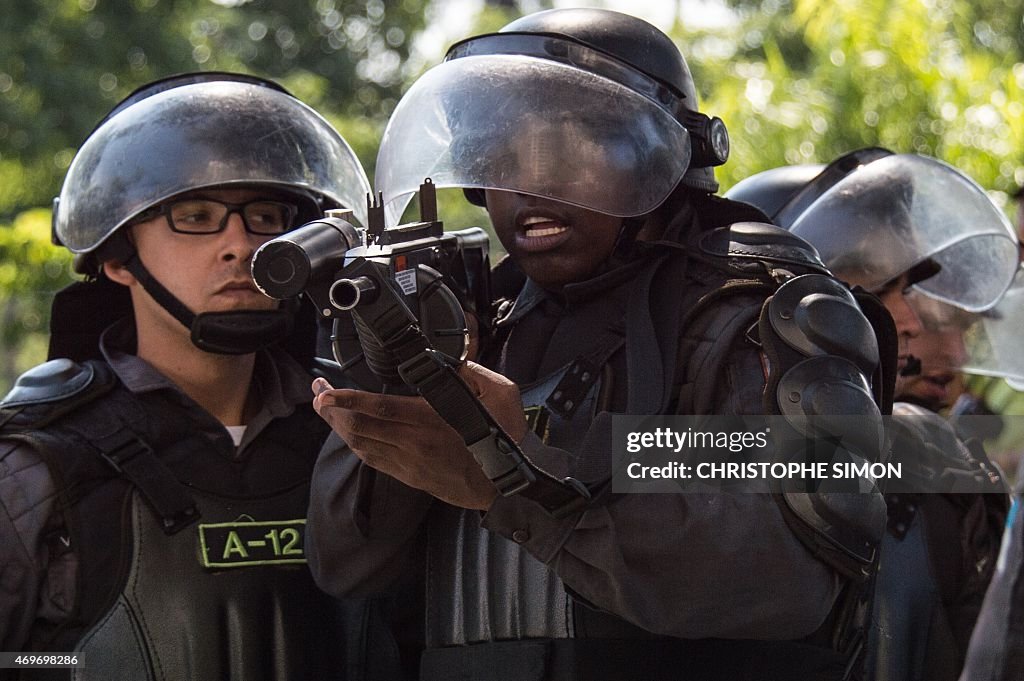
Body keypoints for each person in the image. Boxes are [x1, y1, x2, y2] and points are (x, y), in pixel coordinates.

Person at [306, 9, 893, 680]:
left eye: (569, 146)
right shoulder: (474, 321)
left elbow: (787, 571)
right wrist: (407, 378)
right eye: (505, 151)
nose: (531, 180)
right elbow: (346, 565)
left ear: (655, 154)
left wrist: (513, 480)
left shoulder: (749, 312)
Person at [0, 73, 399, 680]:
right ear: (116, 257)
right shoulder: (34, 461)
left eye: (265, 216)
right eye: (196, 216)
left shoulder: (367, 425)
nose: (240, 246)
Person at [727, 149, 1018, 681]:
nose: (906, 320)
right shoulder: (672, 452)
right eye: (873, 287)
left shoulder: (934, 460)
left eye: (904, 289)